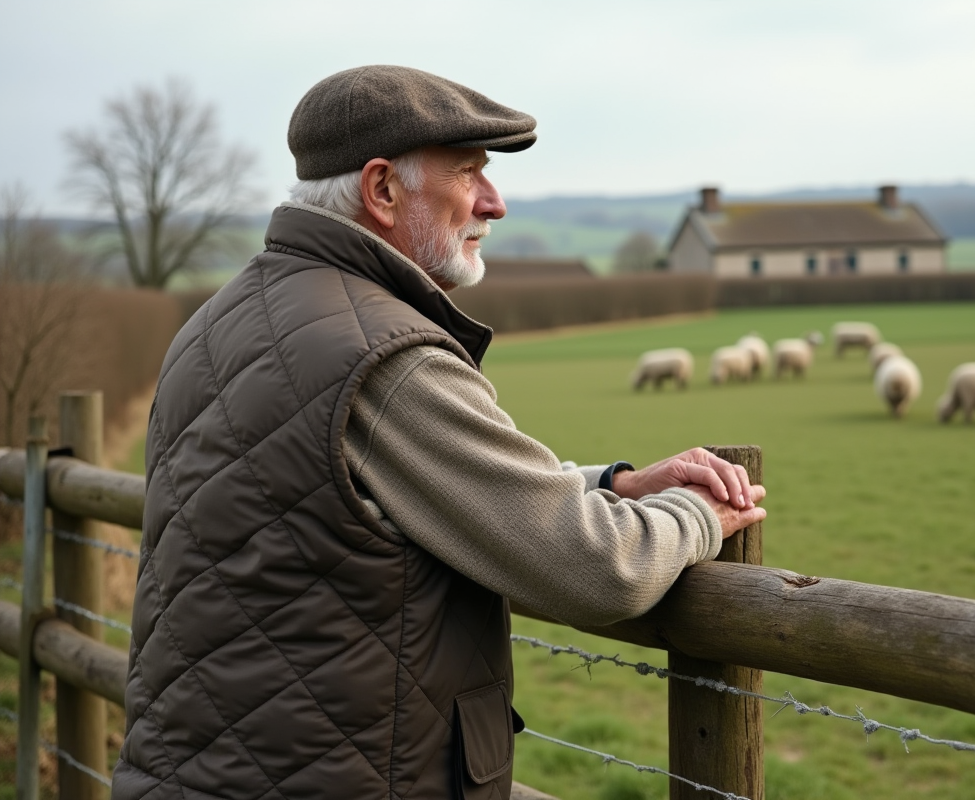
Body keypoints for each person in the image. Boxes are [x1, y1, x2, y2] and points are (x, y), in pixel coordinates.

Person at [113, 65, 766, 800]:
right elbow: (595, 569)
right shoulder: (385, 359)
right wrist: (698, 515)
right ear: (383, 189)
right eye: (468, 174)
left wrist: (612, 484)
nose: (495, 202)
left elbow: (362, 490)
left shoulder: (215, 323)